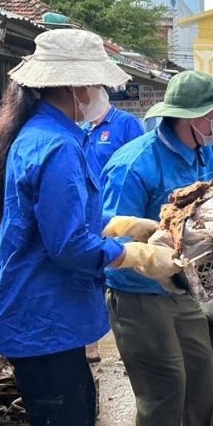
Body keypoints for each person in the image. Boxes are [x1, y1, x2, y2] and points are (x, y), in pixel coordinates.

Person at [0, 29, 184, 426]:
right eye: (97, 85)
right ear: (75, 88)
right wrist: (134, 256)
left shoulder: (41, 133)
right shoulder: (58, 146)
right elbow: (68, 244)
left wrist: (117, 225)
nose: (102, 95)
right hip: (42, 311)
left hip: (35, 305)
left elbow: (56, 217)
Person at [100, 70, 213, 426]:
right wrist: (149, 256)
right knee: (163, 382)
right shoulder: (134, 164)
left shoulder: (206, 152)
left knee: (200, 365)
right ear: (192, 117)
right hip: (137, 290)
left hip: (181, 284)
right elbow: (108, 235)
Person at [83, 105, 146, 362]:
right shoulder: (83, 128)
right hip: (88, 214)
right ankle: (90, 344)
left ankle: (131, 343)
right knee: (89, 273)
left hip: (118, 208)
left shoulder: (125, 123)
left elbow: (140, 160)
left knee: (122, 270)